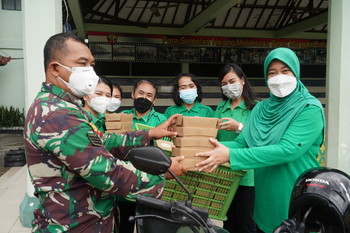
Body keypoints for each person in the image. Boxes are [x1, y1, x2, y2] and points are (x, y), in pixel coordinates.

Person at [24, 33, 185, 233]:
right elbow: (106, 172)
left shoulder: (65, 108)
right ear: (55, 68)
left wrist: (150, 134)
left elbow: (103, 142)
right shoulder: (58, 114)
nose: (90, 72)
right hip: (72, 226)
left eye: (91, 64)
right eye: (82, 63)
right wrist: (164, 175)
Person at [195, 47, 325, 233]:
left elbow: (288, 149)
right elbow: (243, 143)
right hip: (264, 203)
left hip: (295, 198)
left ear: (296, 72)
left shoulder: (309, 108)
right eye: (272, 73)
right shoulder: (261, 109)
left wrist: (230, 155)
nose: (278, 77)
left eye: (285, 71)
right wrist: (200, 148)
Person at [215, 63, 258, 233]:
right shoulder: (220, 108)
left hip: (247, 175)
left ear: (242, 80)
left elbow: (259, 138)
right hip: (225, 174)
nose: (228, 87)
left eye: (232, 81)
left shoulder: (256, 107)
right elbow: (214, 136)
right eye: (224, 84)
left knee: (246, 224)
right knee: (228, 222)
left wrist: (239, 126)